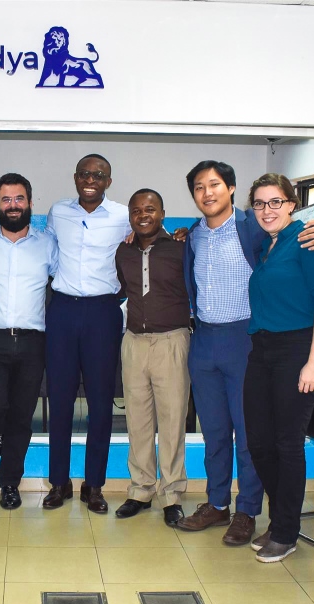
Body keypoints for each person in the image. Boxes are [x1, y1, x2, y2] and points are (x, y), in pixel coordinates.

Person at [176, 160, 314, 547]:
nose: (207, 193)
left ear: (231, 189)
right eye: (199, 187)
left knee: (251, 435)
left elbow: (308, 243)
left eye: (214, 184)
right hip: (204, 342)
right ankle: (216, 504)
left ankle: (247, 510)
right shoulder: (194, 235)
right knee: (213, 431)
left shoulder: (253, 225)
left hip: (246, 340)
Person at [244, 173, 314, 562]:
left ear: (292, 204)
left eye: (275, 202)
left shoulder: (309, 239)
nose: (267, 210)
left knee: (287, 444)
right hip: (262, 349)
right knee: (259, 443)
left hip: (299, 349)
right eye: (261, 203)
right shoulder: (268, 244)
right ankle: (282, 519)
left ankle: (286, 530)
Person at [42, 154, 129, 514]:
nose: (90, 179)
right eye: (84, 174)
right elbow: (45, 251)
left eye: (99, 175)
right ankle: (59, 482)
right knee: (58, 401)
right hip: (62, 309)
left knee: (100, 404)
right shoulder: (57, 212)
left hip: (102, 313)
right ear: (75, 178)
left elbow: (147, 244)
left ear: (109, 181)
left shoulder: (124, 215)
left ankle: (94, 484)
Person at [0, 173, 57, 509]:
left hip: (33, 342)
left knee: (23, 414)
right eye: (6, 200)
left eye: (19, 199)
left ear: (30, 203)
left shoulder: (48, 244)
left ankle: (9, 483)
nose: (13, 205)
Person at [113, 189, 191, 527]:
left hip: (172, 341)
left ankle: (171, 494)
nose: (143, 215)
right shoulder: (123, 250)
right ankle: (141, 490)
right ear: (129, 216)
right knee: (138, 420)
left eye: (150, 209)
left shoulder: (181, 248)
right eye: (136, 210)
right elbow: (121, 290)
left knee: (173, 421)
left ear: (162, 213)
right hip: (133, 342)